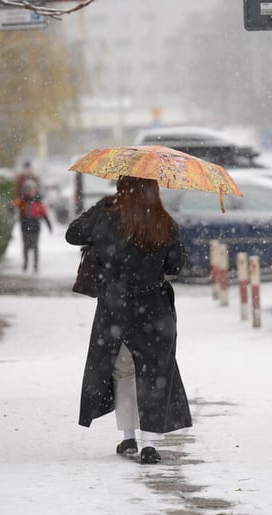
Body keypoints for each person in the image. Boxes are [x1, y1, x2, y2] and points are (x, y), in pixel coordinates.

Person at [65, 175, 191, 464]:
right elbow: (176, 265)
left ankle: (128, 438)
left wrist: (100, 205)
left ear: (121, 189)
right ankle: (149, 444)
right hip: (155, 309)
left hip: (115, 309)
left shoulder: (107, 217)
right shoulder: (163, 221)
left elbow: (73, 234)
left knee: (123, 372)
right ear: (154, 191)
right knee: (153, 373)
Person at [15, 183, 52, 272]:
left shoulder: (38, 201)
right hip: (25, 226)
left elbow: (44, 214)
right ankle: (25, 264)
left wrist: (49, 225)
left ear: (35, 191)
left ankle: (35, 266)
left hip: (35, 226)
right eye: (28, 190)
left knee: (35, 246)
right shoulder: (22, 200)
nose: (30, 192)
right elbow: (13, 205)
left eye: (31, 190)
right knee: (26, 246)